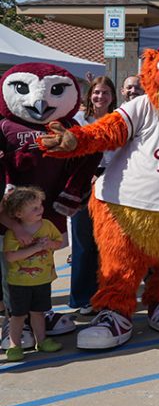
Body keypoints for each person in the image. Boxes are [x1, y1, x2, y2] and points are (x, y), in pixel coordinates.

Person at [69, 76, 117, 315]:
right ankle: (80, 298)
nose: (100, 97)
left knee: (107, 245)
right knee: (83, 244)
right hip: (82, 186)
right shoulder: (77, 120)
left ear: (112, 97)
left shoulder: (118, 121)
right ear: (90, 95)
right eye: (97, 92)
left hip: (112, 186)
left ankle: (104, 294)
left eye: (105, 93)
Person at [3, 187, 64, 361]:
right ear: (19, 213)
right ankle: (15, 345)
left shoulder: (47, 225)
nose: (40, 210)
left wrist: (50, 244)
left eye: (40, 206)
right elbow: (11, 256)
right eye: (34, 208)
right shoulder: (13, 233)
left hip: (43, 279)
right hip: (19, 282)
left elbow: (59, 243)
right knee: (18, 315)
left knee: (38, 312)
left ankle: (42, 340)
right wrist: (36, 248)